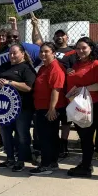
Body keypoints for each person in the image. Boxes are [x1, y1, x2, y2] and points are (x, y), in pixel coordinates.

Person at [65, 37, 98, 178]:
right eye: (78, 48)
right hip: (78, 105)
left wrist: (84, 89)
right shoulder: (77, 64)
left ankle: (86, 167)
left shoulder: (97, 65)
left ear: (91, 48)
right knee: (84, 137)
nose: (81, 51)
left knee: (87, 137)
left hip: (93, 106)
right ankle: (86, 164)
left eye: (84, 48)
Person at [0, 44, 36, 172]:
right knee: (5, 134)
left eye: (15, 53)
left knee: (22, 135)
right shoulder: (5, 65)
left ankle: (21, 160)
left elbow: (29, 87)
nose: (11, 56)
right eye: (10, 53)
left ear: (22, 53)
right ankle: (10, 159)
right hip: (6, 107)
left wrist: (11, 83)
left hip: (22, 107)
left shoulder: (27, 68)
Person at [30, 42, 66, 175]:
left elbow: (56, 90)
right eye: (41, 52)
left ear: (53, 53)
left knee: (46, 138)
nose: (43, 54)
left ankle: (46, 165)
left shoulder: (55, 68)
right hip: (41, 108)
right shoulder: (43, 68)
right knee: (49, 137)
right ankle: (52, 162)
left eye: (46, 51)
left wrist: (52, 109)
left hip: (49, 109)